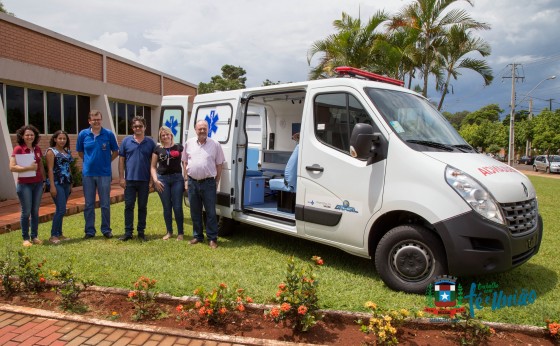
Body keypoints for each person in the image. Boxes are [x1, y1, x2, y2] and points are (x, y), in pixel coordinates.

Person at [182, 119, 225, 249]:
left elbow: (219, 164)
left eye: (204, 128)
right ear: (195, 130)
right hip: (193, 182)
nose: (202, 130)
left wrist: (216, 180)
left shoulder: (215, 144)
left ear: (208, 130)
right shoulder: (189, 143)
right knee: (195, 211)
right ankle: (197, 236)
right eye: (200, 128)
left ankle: (212, 238)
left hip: (208, 183)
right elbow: (184, 162)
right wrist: (186, 179)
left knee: (211, 212)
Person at [76, 110, 119, 239]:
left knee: (105, 203)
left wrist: (106, 162)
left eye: (98, 119)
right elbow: (80, 152)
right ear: (89, 121)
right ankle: (89, 231)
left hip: (104, 174)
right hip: (88, 174)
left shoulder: (108, 134)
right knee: (89, 204)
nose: (96, 122)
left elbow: (115, 151)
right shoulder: (83, 134)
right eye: (94, 119)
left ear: (101, 120)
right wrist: (89, 162)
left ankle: (106, 229)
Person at [118, 116, 156, 241]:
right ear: (132, 128)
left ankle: (141, 232)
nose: (137, 128)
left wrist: (151, 179)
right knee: (129, 206)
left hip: (144, 180)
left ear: (144, 127)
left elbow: (153, 163)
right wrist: (121, 178)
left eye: (140, 126)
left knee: (142, 206)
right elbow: (121, 160)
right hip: (129, 180)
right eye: (135, 126)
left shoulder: (150, 143)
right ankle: (128, 232)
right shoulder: (126, 141)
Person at [9, 125, 46, 247]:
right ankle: (25, 238)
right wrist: (28, 168)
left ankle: (34, 236)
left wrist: (44, 181)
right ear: (22, 136)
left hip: (38, 184)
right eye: (27, 135)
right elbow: (12, 167)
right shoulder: (18, 149)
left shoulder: (37, 149)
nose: (29, 137)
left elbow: (40, 166)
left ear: (35, 136)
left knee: (35, 211)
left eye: (31, 134)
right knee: (26, 212)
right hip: (24, 184)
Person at [151, 126, 185, 240]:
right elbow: (153, 167)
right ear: (160, 137)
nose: (165, 137)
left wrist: (185, 179)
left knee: (177, 206)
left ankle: (180, 233)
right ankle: (169, 232)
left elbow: (186, 163)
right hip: (162, 180)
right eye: (162, 135)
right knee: (166, 207)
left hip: (177, 180)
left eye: (167, 134)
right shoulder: (157, 149)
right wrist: (156, 180)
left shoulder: (179, 147)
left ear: (171, 135)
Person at [46, 130, 74, 244]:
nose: (62, 140)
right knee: (61, 209)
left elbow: (68, 167)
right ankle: (53, 235)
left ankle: (60, 234)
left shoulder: (67, 151)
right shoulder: (51, 151)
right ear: (55, 139)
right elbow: (50, 169)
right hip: (57, 183)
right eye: (60, 138)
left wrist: (71, 183)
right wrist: (52, 186)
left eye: (64, 138)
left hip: (66, 183)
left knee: (62, 209)